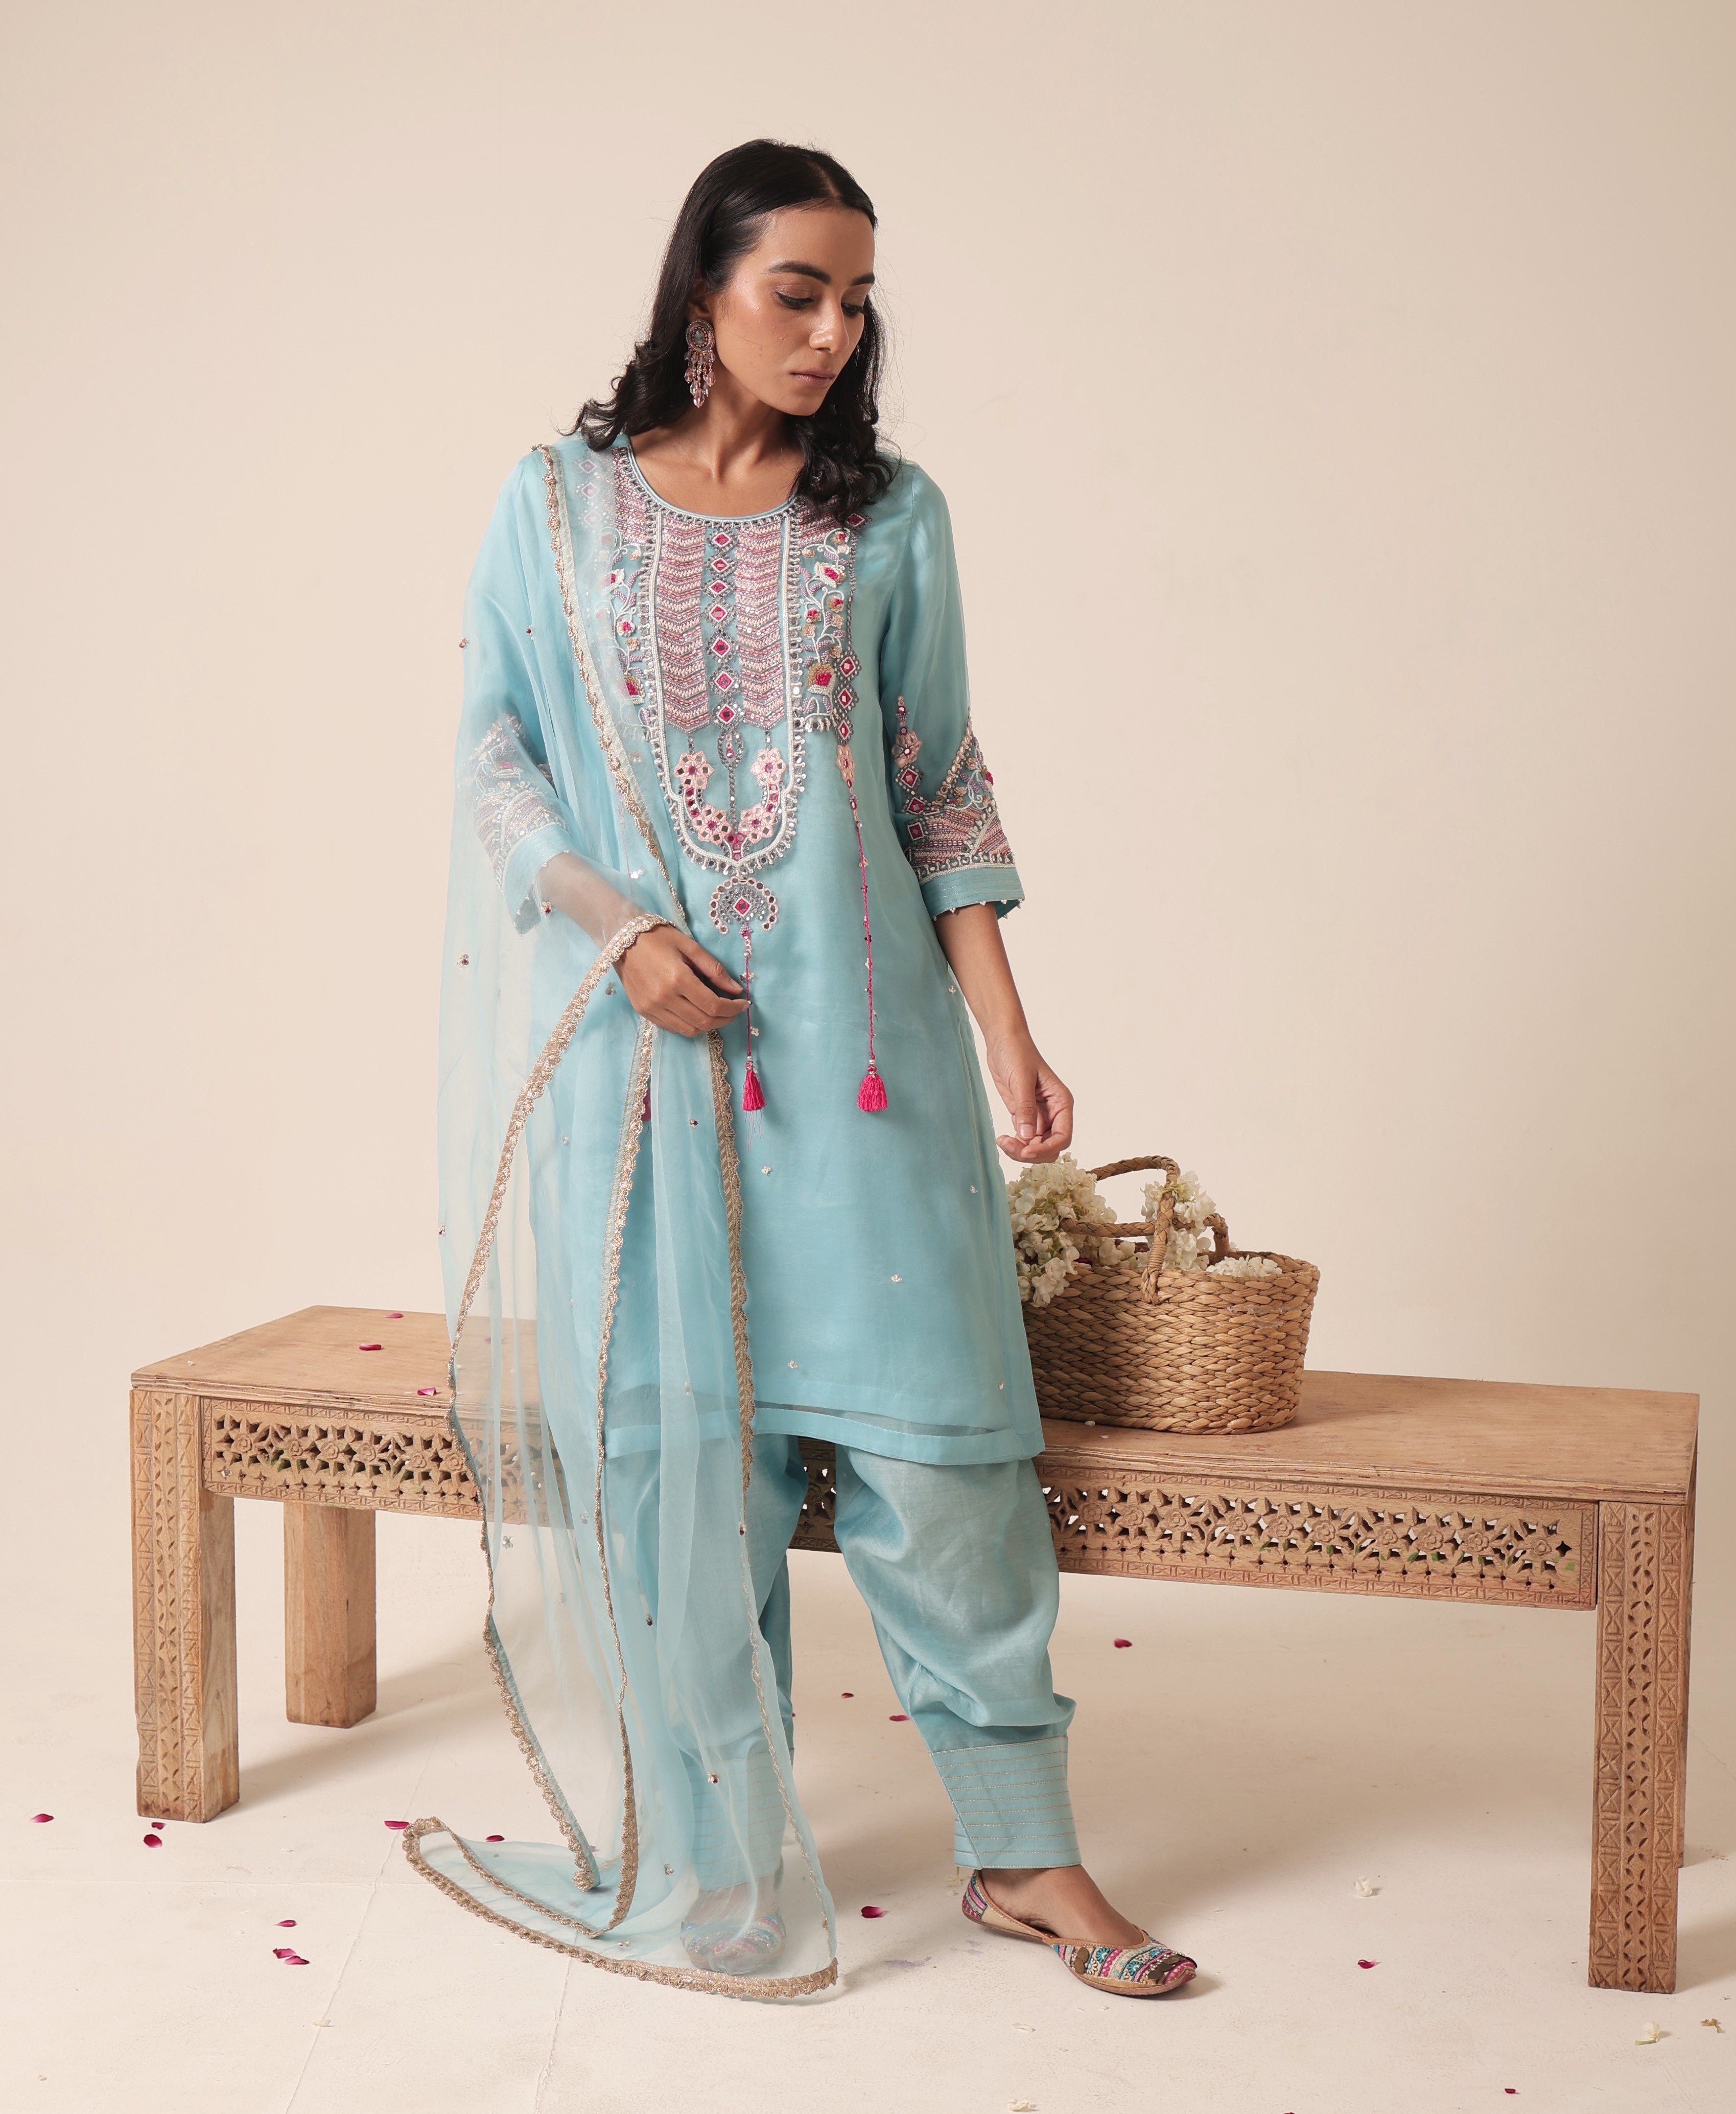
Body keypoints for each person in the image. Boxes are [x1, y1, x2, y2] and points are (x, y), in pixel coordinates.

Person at [416, 138, 1195, 2002]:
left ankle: (1026, 1855)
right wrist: (617, 927)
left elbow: (940, 787)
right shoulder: (555, 509)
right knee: (678, 1471)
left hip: (864, 1071)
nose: (835, 331)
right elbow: (499, 760)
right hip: (643, 1076)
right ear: (704, 289)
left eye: (857, 301)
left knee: (948, 1462)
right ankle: (721, 1850)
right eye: (798, 291)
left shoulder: (892, 519)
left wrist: (1007, 1030)